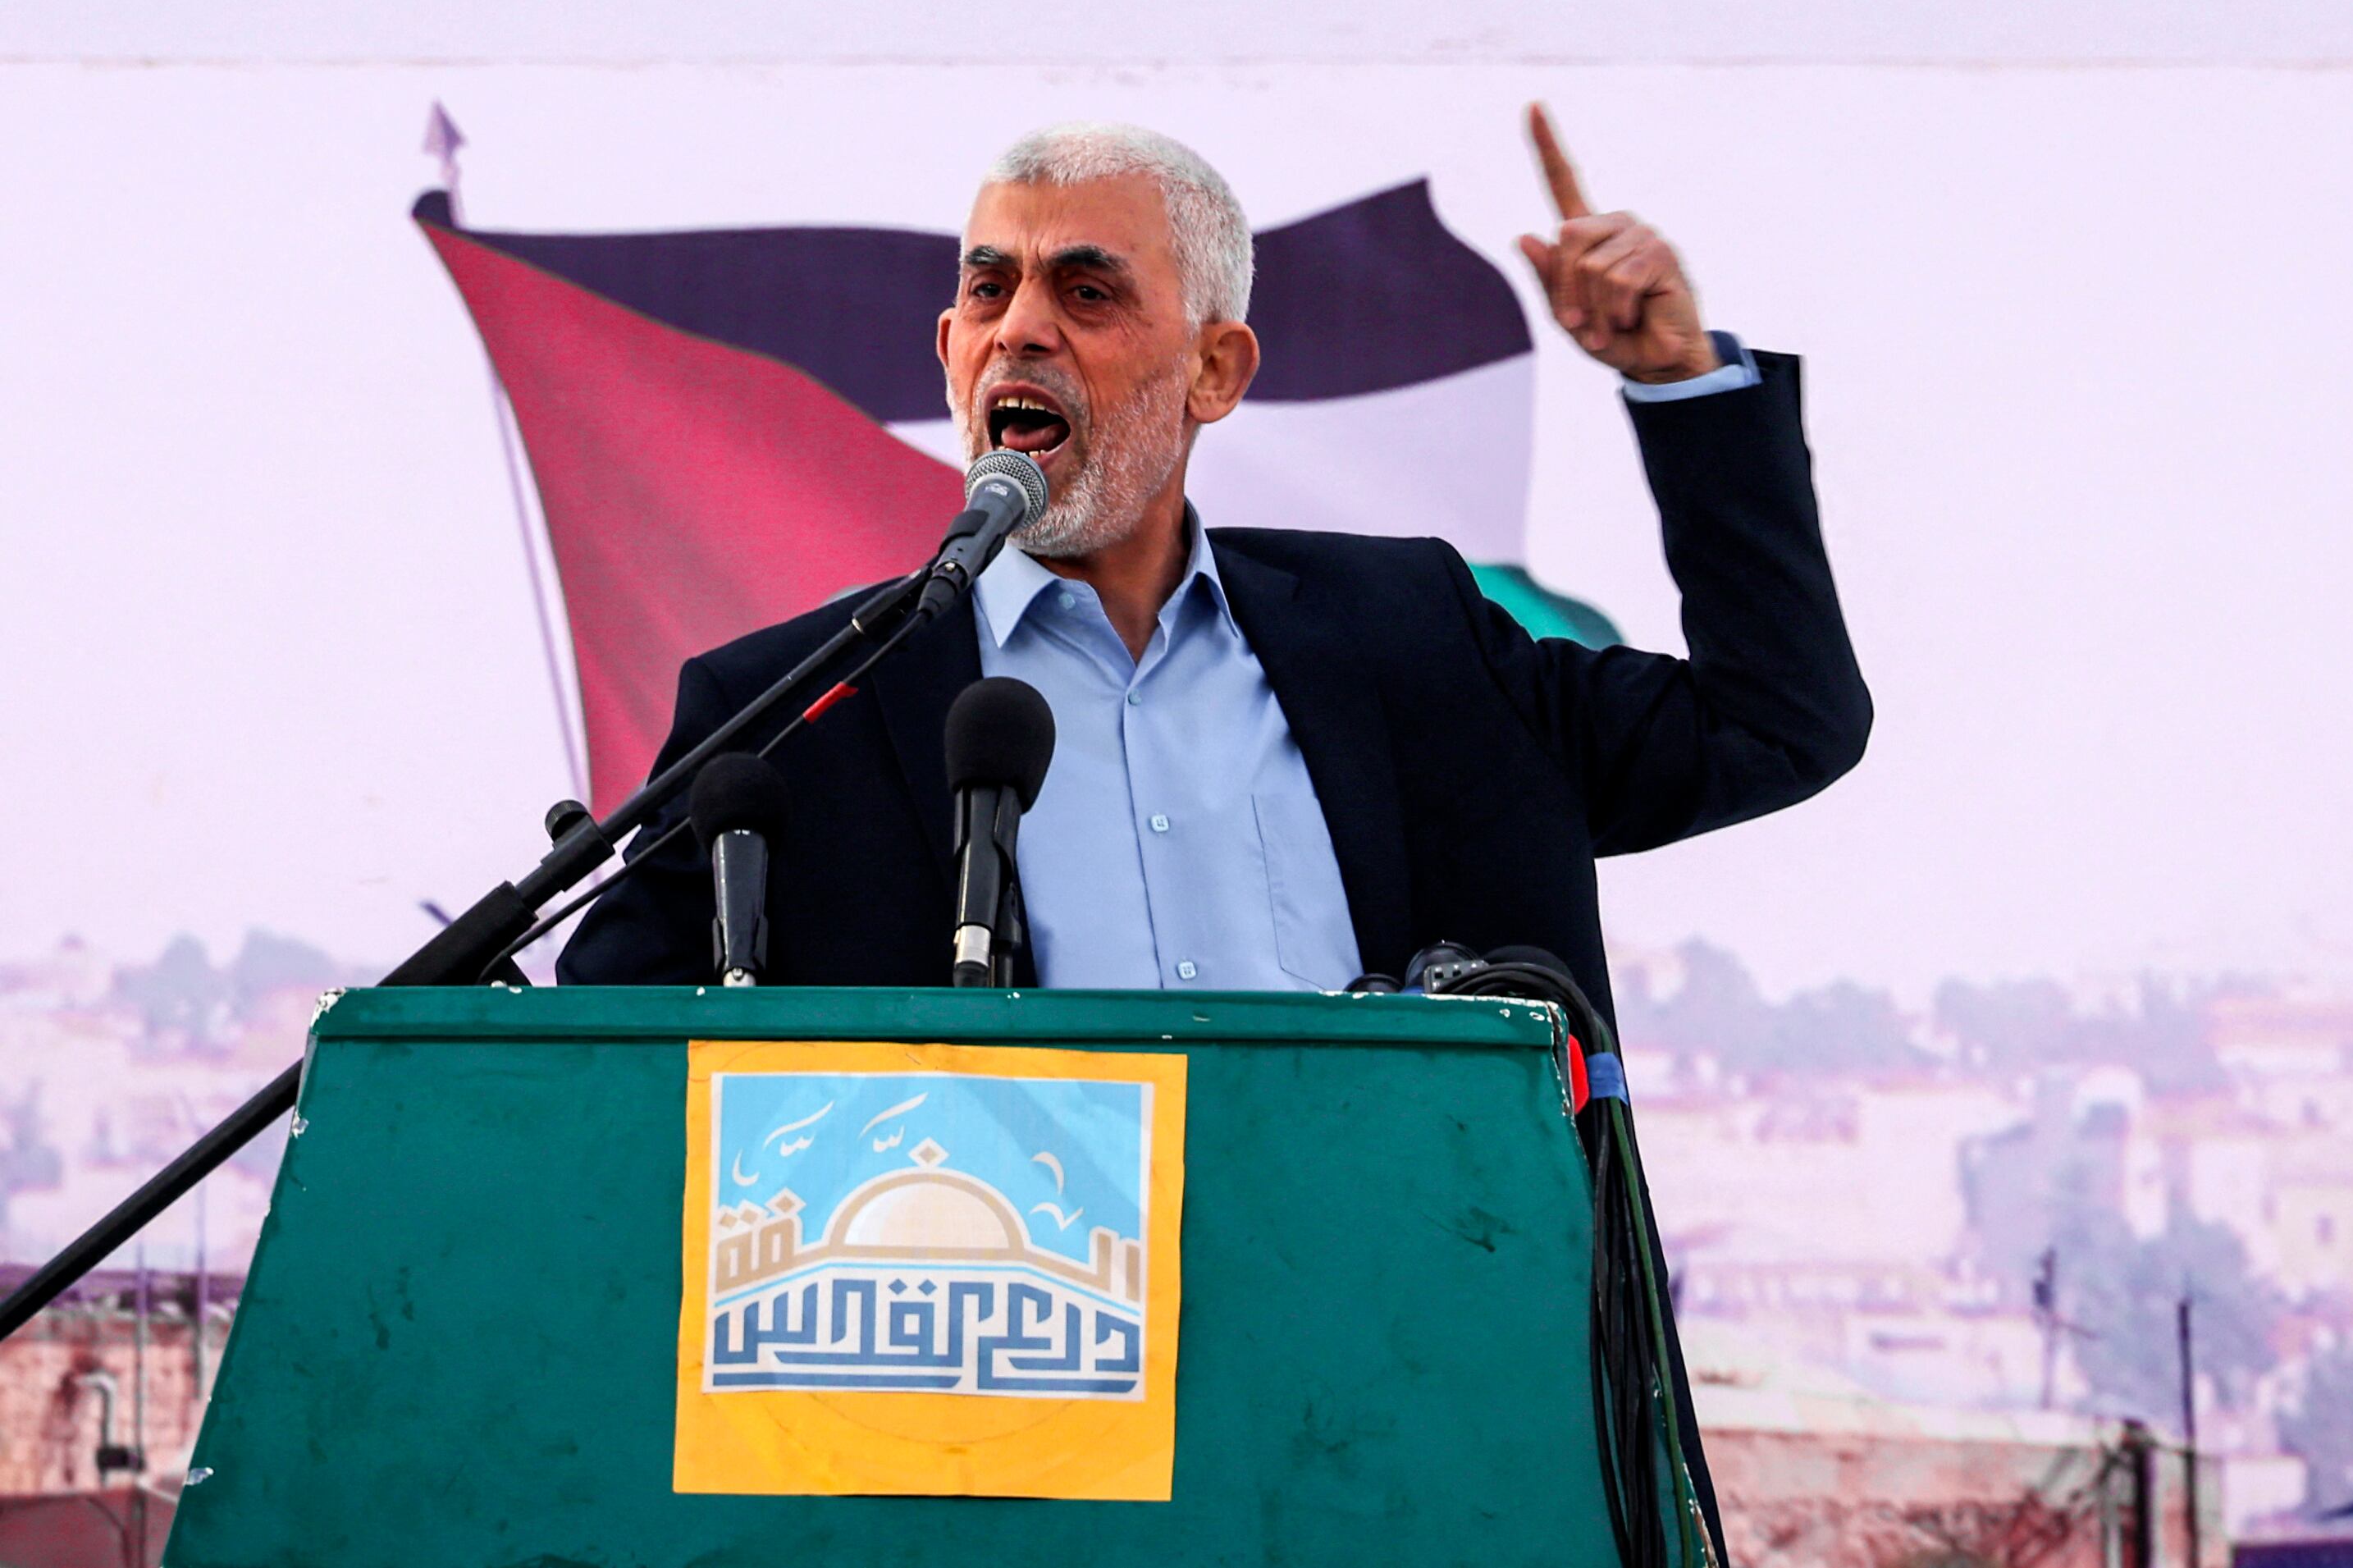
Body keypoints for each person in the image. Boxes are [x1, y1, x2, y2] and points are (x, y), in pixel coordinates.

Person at [557, 107, 1867, 1026]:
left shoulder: (1412, 636)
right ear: (948, 350)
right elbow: (595, 1085)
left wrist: (1684, 390)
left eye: (1086, 292)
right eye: (990, 290)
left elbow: (1775, 722)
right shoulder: (794, 713)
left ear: (1215, 369)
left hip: (1402, 1362)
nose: (1022, 329)